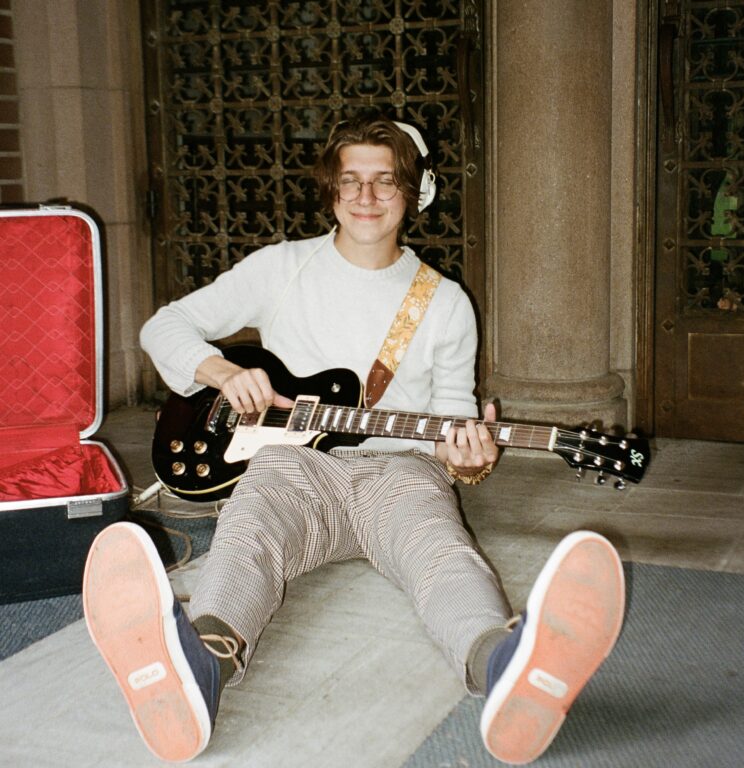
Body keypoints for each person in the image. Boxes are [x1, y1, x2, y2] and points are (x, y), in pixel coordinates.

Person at [82, 111, 625, 765]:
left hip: (400, 469)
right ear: (332, 190)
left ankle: (503, 662)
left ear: (415, 191)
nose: (366, 197)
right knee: (249, 533)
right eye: (351, 181)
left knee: (441, 553)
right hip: (289, 464)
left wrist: (471, 460)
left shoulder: (445, 302)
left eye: (385, 181)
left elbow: (452, 426)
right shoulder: (280, 268)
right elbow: (164, 328)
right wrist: (224, 373)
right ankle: (201, 668)